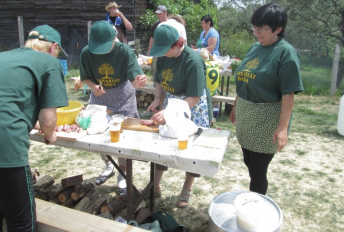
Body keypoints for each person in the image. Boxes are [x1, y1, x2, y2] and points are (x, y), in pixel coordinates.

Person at [230, 3, 304, 195]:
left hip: (266, 119)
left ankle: (256, 203)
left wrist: (282, 127)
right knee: (248, 160)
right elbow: (245, 78)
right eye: (255, 28)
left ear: (278, 29)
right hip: (247, 115)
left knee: (258, 170)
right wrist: (235, 106)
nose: (257, 33)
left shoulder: (286, 53)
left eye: (262, 29)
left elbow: (288, 93)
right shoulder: (255, 47)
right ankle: (254, 199)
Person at [0, 25, 69, 231]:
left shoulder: (5, 57)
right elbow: (49, 120)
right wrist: (50, 134)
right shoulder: (49, 62)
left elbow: (13, 100)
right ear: (53, 48)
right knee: (21, 222)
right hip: (6, 146)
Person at [79, 20, 147, 194]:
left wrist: (138, 82)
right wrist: (93, 86)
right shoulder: (87, 52)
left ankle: (122, 175)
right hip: (100, 99)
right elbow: (85, 77)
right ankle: (109, 165)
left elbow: (134, 79)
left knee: (123, 139)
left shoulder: (123, 51)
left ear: (114, 37)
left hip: (123, 97)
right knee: (98, 135)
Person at [147, 24, 211, 208]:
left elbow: (196, 96)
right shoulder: (162, 57)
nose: (161, 53)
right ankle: (156, 184)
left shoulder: (193, 61)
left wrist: (170, 112)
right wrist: (158, 99)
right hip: (170, 103)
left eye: (164, 49)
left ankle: (187, 188)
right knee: (162, 145)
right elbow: (159, 80)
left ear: (177, 44)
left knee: (190, 151)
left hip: (191, 107)